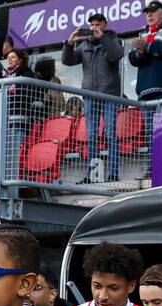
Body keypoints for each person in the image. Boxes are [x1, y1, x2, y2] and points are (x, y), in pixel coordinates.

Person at [62, 13, 124, 184]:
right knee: (91, 137)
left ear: (105, 24)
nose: (94, 27)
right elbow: (67, 61)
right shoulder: (84, 44)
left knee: (111, 134)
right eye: (92, 25)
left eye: (98, 24)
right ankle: (93, 175)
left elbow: (116, 54)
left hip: (109, 94)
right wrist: (69, 43)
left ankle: (113, 173)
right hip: (90, 96)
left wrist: (103, 38)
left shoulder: (113, 39)